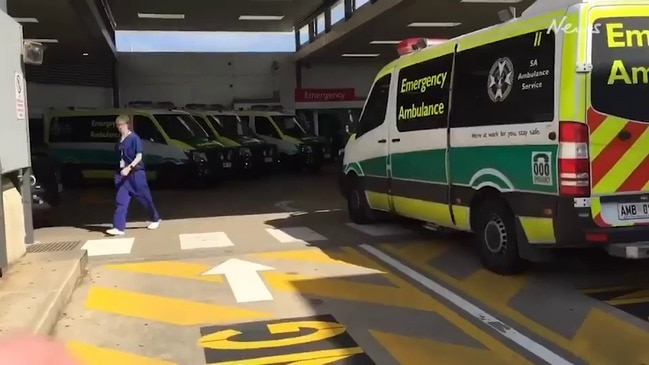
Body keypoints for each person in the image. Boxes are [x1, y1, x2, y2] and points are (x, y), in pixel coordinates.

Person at [106, 115, 161, 236]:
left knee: (144, 198)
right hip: (123, 175)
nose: (119, 128)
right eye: (117, 125)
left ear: (127, 125)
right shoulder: (119, 140)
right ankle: (119, 227)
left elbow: (139, 156)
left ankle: (155, 218)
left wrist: (129, 167)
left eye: (120, 125)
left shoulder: (134, 138)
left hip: (136, 174)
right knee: (121, 201)